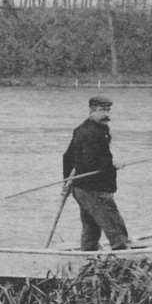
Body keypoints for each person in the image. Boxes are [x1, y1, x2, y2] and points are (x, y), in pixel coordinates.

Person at [62, 94, 128, 251]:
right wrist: (113, 165)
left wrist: (68, 182)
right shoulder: (92, 133)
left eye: (108, 110)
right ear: (91, 111)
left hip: (82, 188)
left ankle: (87, 258)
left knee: (91, 228)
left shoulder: (86, 129)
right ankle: (124, 260)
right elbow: (91, 164)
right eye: (102, 110)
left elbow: (68, 157)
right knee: (114, 226)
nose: (106, 114)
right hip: (94, 190)